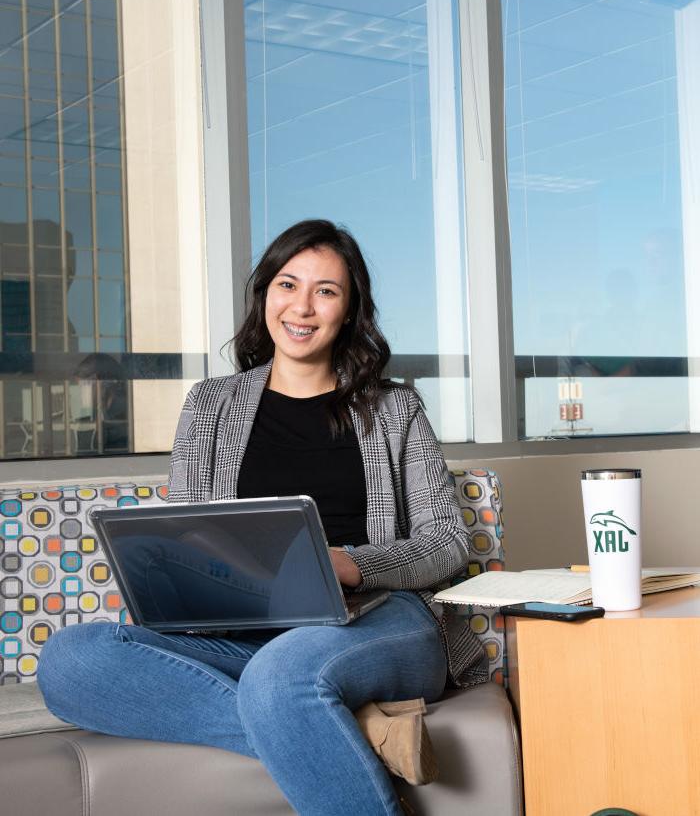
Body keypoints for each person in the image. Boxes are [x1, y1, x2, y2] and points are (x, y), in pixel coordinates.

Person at [37, 220, 487, 816]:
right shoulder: (210, 404)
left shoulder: (393, 408)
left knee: (281, 676)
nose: (302, 306)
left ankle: (301, 710)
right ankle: (351, 731)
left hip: (376, 619)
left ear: (349, 310)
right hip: (241, 631)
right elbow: (185, 533)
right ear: (265, 296)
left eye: (325, 291)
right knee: (71, 660)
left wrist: (349, 564)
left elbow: (447, 542)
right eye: (287, 284)